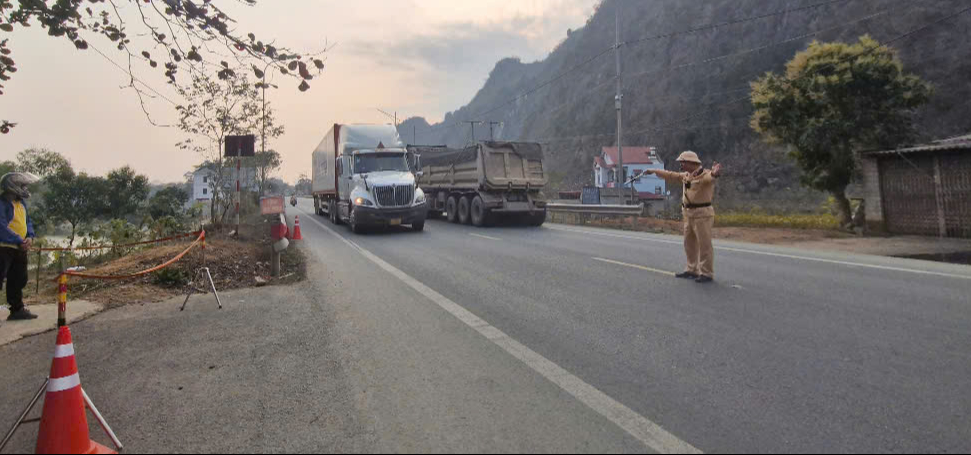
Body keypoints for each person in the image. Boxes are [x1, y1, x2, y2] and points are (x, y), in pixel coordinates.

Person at [640, 151, 723, 284]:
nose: (681, 165)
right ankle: (692, 269)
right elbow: (670, 175)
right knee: (689, 243)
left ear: (692, 163)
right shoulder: (686, 176)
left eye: (683, 162)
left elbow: (711, 177)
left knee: (704, 244)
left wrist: (715, 173)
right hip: (688, 214)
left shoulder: (705, 175)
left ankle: (706, 273)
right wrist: (653, 171)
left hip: (702, 214)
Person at [1, 172, 40, 320]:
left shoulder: (21, 203)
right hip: (3, 248)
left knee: (18, 279)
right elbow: (1, 226)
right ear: (13, 186)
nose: (25, 188)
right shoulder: (2, 203)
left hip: (19, 248)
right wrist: (18, 239)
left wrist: (30, 236)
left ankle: (17, 310)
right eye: (22, 185)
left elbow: (27, 221)